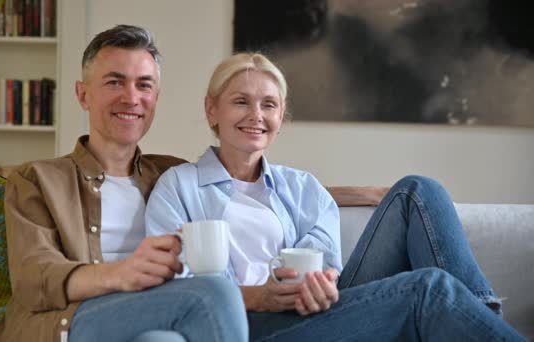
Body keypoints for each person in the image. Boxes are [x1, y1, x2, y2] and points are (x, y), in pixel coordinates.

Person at [144, 52, 526, 341]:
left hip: (318, 315)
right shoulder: (178, 187)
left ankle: (478, 318)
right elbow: (176, 294)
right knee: (427, 288)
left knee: (417, 190)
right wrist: (261, 296)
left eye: (269, 104)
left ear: (281, 116)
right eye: (240, 101)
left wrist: (320, 286)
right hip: (245, 327)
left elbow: (325, 267)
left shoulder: (303, 188)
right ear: (212, 110)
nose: (256, 115)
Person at [0, 25, 248, 342]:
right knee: (212, 293)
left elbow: (241, 196)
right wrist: (119, 274)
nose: (131, 98)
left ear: (155, 98)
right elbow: (34, 278)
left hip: (153, 318)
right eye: (115, 82)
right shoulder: (37, 178)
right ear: (83, 94)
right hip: (64, 325)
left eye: (144, 85)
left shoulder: (173, 175)